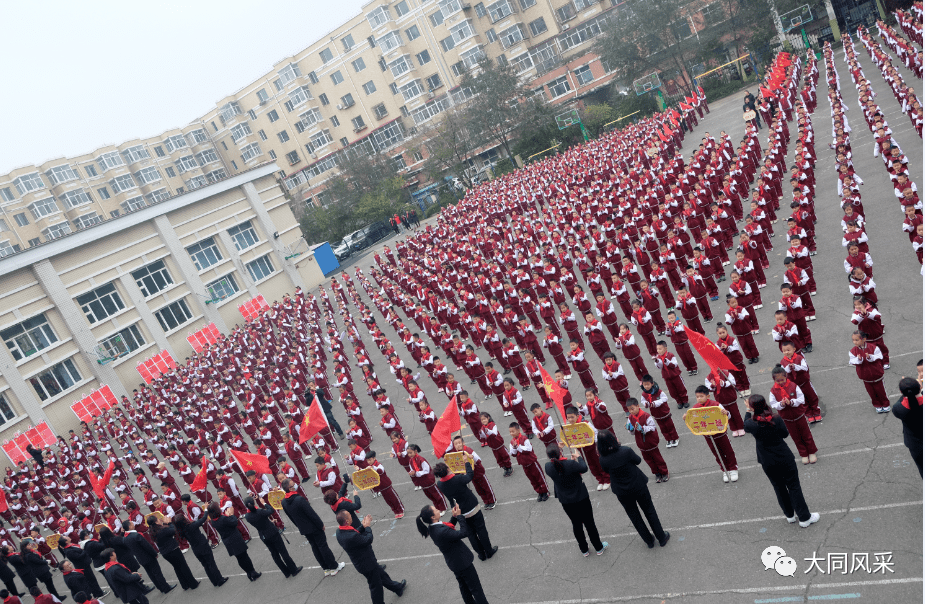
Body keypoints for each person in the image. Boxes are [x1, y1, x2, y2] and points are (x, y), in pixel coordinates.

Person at [743, 395, 820, 528]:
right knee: (794, 486)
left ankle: (789, 515)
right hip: (783, 457)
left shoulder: (751, 424)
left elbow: (745, 425)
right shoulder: (776, 418)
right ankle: (804, 517)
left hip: (767, 460)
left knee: (778, 487)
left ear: (752, 407)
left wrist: (748, 410)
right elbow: (785, 434)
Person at [596, 430, 670, 549]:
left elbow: (605, 471)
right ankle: (661, 537)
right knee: (649, 510)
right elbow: (638, 461)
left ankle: (649, 541)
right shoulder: (625, 450)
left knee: (634, 516)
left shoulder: (603, 459)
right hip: (638, 485)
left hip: (621, 491)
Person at [416, 504, 490, 604]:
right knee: (476, 589)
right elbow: (463, 533)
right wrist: (460, 516)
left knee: (464, 588)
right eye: (435, 509)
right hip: (463, 562)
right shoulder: (441, 531)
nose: (438, 509)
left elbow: (449, 531)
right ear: (432, 517)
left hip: (455, 563)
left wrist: (454, 517)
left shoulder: (433, 528)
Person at [543, 444, 607, 557]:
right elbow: (583, 468)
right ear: (560, 452)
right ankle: (598, 547)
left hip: (566, 500)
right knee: (589, 523)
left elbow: (562, 468)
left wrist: (571, 462)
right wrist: (578, 457)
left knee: (576, 524)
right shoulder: (570, 464)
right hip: (581, 497)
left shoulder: (548, 467)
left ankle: (584, 550)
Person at [335, 510, 407, 604]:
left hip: (365, 562)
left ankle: (397, 588)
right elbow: (367, 539)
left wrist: (363, 526)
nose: (352, 516)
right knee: (376, 587)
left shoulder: (339, 531)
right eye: (349, 515)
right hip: (367, 564)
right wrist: (367, 527)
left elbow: (355, 533)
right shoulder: (351, 537)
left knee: (382, 576)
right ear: (347, 521)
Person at [279, 479, 345, 577]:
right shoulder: (299, 499)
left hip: (304, 529)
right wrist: (320, 524)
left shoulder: (284, 502)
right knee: (323, 547)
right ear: (290, 488)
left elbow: (291, 518)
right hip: (314, 527)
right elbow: (312, 514)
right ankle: (334, 566)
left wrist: (300, 527)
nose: (296, 485)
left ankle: (325, 568)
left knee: (315, 547)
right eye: (293, 484)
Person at [434, 462, 496, 561]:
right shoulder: (457, 479)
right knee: (481, 530)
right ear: (447, 469)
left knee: (471, 535)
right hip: (472, 508)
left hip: (460, 511)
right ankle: (489, 551)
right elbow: (470, 475)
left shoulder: (440, 484)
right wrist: (467, 463)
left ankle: (481, 554)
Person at [243, 496, 302, 578]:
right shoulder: (259, 511)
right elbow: (271, 510)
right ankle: (293, 570)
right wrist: (264, 503)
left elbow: (261, 520)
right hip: (272, 532)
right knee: (283, 551)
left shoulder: (247, 516)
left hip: (263, 535)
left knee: (275, 555)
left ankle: (286, 572)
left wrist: (269, 521)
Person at [209, 502, 261, 582]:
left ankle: (248, 573)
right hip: (235, 539)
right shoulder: (223, 519)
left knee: (239, 559)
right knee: (245, 557)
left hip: (228, 541)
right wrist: (231, 515)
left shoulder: (213, 521)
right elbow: (234, 522)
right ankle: (253, 572)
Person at [173, 513, 227, 587]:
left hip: (196, 549)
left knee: (206, 566)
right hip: (203, 546)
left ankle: (214, 581)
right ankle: (220, 580)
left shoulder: (181, 530)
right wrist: (206, 510)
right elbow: (203, 518)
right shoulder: (191, 525)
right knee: (211, 563)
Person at [147, 516, 199, 591]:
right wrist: (170, 523)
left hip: (165, 553)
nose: (159, 519)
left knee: (177, 568)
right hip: (173, 550)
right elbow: (174, 530)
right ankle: (193, 584)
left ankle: (184, 585)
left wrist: (165, 523)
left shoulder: (152, 531)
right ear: (156, 522)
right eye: (158, 519)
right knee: (183, 566)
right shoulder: (162, 530)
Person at [122, 522, 174, 594]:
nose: (133, 524)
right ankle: (166, 588)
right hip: (148, 557)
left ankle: (160, 588)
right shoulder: (136, 535)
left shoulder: (125, 538)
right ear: (129, 526)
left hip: (140, 558)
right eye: (132, 524)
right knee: (157, 573)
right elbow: (147, 546)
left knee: (151, 574)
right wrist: (154, 553)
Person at [892, 376, 923, 476]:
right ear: (919, 388)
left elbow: (901, 402)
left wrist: (906, 391)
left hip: (915, 445)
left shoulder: (898, 409)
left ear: (901, 392)